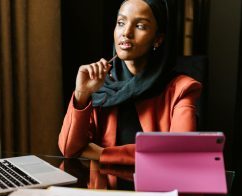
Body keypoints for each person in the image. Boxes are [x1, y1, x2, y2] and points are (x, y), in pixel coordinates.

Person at [58, 0, 202, 165]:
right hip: (104, 190)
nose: (126, 32)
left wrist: (102, 153)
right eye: (121, 23)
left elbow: (179, 153)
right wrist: (81, 94)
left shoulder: (181, 89)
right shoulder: (100, 85)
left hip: (154, 189)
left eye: (140, 26)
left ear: (158, 39)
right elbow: (69, 149)